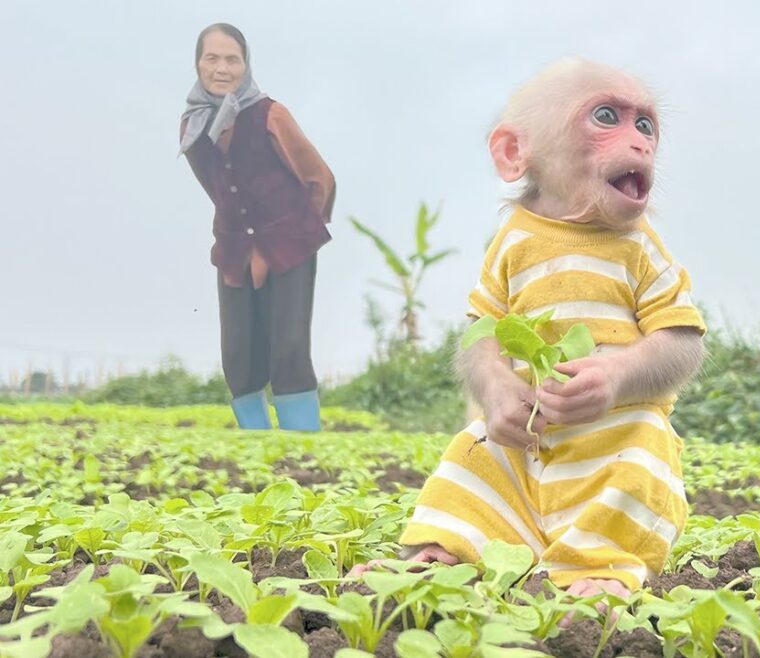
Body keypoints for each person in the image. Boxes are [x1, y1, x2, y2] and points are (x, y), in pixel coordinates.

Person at [350, 59, 706, 601]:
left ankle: (602, 569)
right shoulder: (514, 241)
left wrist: (616, 374)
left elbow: (682, 341)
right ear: (515, 152)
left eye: (646, 124)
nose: (638, 141)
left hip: (614, 432)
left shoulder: (639, 246)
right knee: (474, 452)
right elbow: (481, 333)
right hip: (530, 437)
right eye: (605, 116)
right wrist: (495, 386)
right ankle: (448, 556)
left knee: (643, 454)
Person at [179, 23, 334, 431]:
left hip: (289, 244)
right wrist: (244, 233)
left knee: (289, 348)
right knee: (238, 354)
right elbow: (216, 187)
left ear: (245, 65)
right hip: (233, 248)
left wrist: (294, 231)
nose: (222, 68)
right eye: (212, 58)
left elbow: (319, 178)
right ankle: (257, 443)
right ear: (198, 64)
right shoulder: (192, 127)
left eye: (232, 59)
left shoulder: (271, 115)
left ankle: (302, 445)